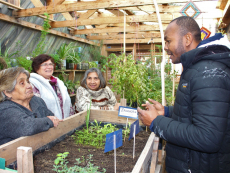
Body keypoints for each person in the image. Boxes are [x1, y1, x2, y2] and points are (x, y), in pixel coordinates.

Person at [137, 16, 230, 173]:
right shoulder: (199, 68)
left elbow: (208, 137)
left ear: (187, 39)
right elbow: (199, 112)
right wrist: (166, 112)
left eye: (168, 41)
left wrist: (156, 122)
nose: (165, 47)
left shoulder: (208, 73)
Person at [0, 67, 62, 145]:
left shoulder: (36, 101)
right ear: (8, 92)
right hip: (15, 155)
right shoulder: (4, 110)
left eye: (28, 81)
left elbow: (52, 118)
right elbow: (27, 127)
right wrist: (48, 121)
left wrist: (50, 120)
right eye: (22, 83)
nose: (29, 86)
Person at [29, 54, 74, 120]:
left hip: (64, 123)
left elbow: (68, 105)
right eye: (45, 64)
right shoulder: (33, 84)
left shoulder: (58, 82)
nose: (49, 67)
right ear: (36, 68)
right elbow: (37, 108)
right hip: (47, 125)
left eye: (50, 64)